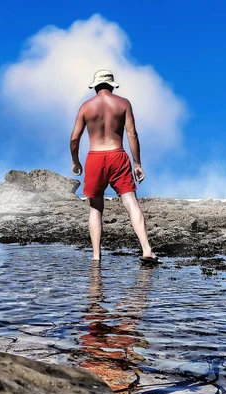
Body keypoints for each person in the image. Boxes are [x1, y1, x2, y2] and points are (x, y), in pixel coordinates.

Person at [70, 70, 159, 263]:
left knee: (95, 208)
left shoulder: (86, 107)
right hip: (118, 155)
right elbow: (132, 134)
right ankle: (146, 249)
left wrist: (76, 161)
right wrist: (137, 163)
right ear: (112, 86)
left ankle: (96, 257)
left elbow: (74, 138)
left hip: (95, 158)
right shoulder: (123, 104)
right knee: (132, 204)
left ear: (95, 87)